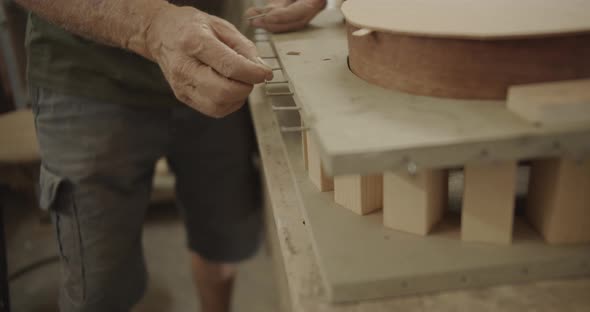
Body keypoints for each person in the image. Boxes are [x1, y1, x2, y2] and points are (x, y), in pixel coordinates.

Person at [15, 0, 325, 311]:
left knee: (221, 247)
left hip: (218, 55)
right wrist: (150, 25)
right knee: (98, 289)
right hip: (87, 73)